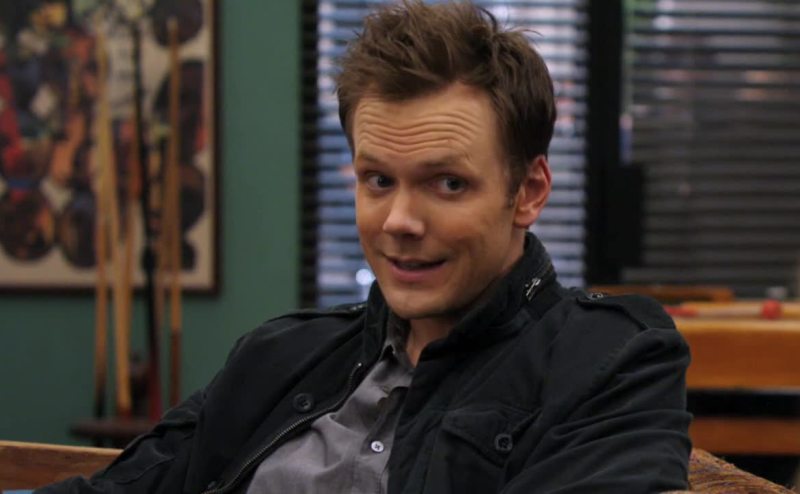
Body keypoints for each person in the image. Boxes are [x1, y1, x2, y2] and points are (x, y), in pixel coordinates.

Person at [38, 1, 691, 492]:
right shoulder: (279, 355)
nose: (399, 221)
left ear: (528, 191)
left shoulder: (611, 361)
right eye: (377, 180)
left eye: (448, 183)